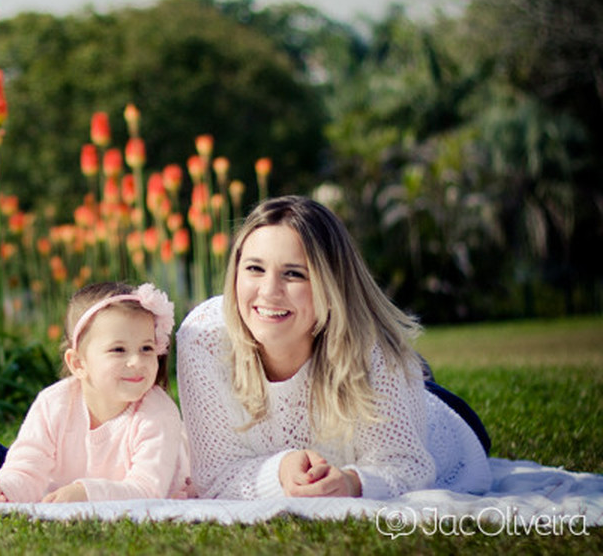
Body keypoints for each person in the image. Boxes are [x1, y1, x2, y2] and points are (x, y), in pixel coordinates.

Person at [176, 195, 493, 500]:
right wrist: (281, 470)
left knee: (406, 378)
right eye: (255, 269)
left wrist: (352, 482)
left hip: (438, 420)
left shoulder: (374, 350)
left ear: (331, 286)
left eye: (294, 274)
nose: (269, 291)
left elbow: (407, 465)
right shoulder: (204, 336)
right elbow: (215, 476)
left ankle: (415, 378)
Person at [0, 282, 191, 503]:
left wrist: (86, 493)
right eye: (118, 350)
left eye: (146, 348)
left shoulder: (157, 414)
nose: (137, 361)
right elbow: (28, 464)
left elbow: (147, 490)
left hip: (166, 478)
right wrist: (6, 489)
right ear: (78, 363)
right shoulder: (54, 404)